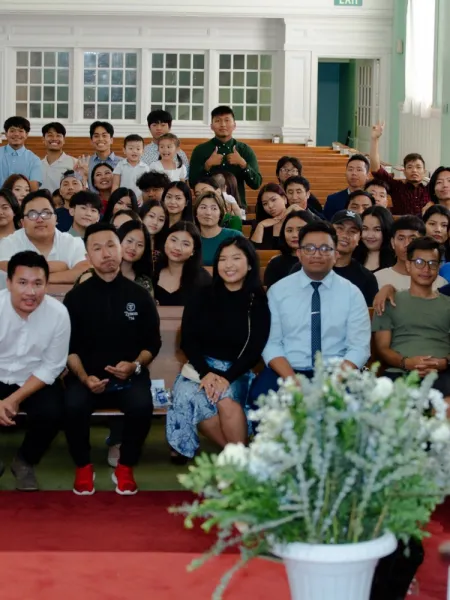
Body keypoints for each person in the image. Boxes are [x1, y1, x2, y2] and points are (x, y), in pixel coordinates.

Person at [63, 223, 161, 495]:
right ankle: (83, 467)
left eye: (111, 245)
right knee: (72, 405)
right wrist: (84, 377)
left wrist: (135, 365)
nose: (106, 253)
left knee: (142, 406)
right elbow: (68, 348)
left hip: (129, 376)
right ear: (88, 256)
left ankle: (126, 466)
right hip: (86, 377)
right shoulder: (75, 298)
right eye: (97, 248)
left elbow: (153, 343)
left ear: (120, 249)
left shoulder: (140, 295)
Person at [166, 237, 271, 460]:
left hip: (236, 370)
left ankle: (237, 456)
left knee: (224, 396)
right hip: (199, 368)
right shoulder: (201, 295)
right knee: (192, 396)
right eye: (223, 259)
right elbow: (188, 340)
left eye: (236, 258)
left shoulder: (257, 301)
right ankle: (239, 457)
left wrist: (226, 378)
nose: (228, 265)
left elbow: (255, 349)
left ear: (249, 264)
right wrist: (206, 373)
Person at [250, 221, 371, 399]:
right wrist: (292, 380)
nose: (317, 254)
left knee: (356, 404)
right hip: (288, 370)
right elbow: (271, 343)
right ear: (299, 253)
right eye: (309, 248)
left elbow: (359, 347)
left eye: (325, 248)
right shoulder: (278, 291)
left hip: (337, 372)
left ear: (336, 254)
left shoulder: (352, 293)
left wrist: (333, 383)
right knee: (260, 398)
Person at [0, 251, 70, 491]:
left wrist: (13, 399)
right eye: (22, 282)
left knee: (54, 411)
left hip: (33, 379)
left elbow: (52, 366)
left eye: (38, 283)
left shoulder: (58, 314)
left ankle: (25, 461)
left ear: (46, 285)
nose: (30, 291)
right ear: (9, 283)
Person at [372, 236, 450, 399]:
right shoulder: (389, 301)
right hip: (398, 373)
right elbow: (382, 347)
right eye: (419, 262)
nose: (426, 269)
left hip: (443, 374)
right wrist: (406, 363)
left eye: (432, 263)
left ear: (438, 267)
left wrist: (444, 363)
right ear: (408, 265)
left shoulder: (447, 304)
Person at [0, 190, 88, 285]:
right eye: (32, 214)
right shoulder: (9, 242)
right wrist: (59, 267)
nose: (40, 219)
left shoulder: (73, 242)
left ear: (55, 219)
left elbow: (84, 271)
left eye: (46, 213)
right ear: (23, 223)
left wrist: (40, 278)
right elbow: (4, 267)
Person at [189, 106, 262, 207]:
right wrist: (207, 166)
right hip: (208, 207)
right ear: (211, 126)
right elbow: (192, 183)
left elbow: (256, 184)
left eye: (227, 120)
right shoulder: (200, 150)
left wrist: (243, 164)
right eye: (217, 121)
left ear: (234, 125)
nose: (223, 124)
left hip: (237, 207)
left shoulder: (244, 150)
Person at [369, 121, 430, 215]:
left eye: (418, 167)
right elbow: (376, 169)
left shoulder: (430, 189)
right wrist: (375, 139)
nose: (414, 170)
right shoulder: (397, 187)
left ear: (424, 172)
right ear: (404, 171)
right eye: (410, 167)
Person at [375, 215, 447, 291]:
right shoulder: (378, 278)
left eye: (413, 239)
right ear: (392, 243)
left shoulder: (440, 283)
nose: (407, 244)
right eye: (401, 239)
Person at [153, 221, 211, 306]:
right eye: (173, 240)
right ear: (165, 241)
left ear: (193, 251)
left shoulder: (204, 280)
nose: (177, 248)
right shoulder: (151, 272)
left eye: (185, 244)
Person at [329, 210, 378, 306]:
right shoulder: (310, 268)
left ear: (359, 238)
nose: (345, 235)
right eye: (340, 228)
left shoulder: (367, 278)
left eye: (352, 231)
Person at [264, 210, 316, 289]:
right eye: (289, 230)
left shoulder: (322, 260)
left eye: (300, 230)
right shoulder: (275, 264)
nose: (294, 235)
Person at [193, 190, 243, 266]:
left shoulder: (234, 236)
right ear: (196, 212)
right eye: (203, 207)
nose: (208, 213)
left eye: (214, 208)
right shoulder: (190, 238)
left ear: (221, 213)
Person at [323, 154, 370, 220]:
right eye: (350, 169)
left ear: (367, 175)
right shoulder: (333, 200)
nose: (354, 173)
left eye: (359, 170)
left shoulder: (372, 199)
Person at [0, 116, 42, 190]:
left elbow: (33, 189)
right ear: (6, 134)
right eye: (12, 131)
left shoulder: (34, 160)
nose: (16, 134)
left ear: (26, 134)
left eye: (20, 131)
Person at [142, 109, 189, 175]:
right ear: (149, 128)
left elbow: (185, 177)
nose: (159, 128)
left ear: (169, 127)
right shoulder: (143, 152)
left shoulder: (179, 153)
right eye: (154, 125)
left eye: (163, 125)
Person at [77, 121, 119, 192]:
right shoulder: (85, 164)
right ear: (91, 141)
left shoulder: (122, 163)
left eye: (104, 135)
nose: (100, 139)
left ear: (111, 140)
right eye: (96, 136)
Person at [353, 206, 395, 273]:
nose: (370, 236)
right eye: (365, 229)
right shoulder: (352, 254)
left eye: (377, 229)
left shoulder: (397, 258)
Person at [41, 122, 78, 192]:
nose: (54, 138)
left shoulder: (74, 163)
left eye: (58, 135)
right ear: (43, 139)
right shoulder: (37, 165)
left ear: (64, 140)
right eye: (50, 135)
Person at [250, 183, 289, 249]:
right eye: (265, 204)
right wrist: (260, 226)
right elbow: (253, 252)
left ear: (284, 199)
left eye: (273, 200)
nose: (270, 206)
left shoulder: (296, 219)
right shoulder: (259, 224)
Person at [112, 134, 149, 199]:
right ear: (124, 150)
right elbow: (115, 185)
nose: (134, 151)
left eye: (138, 149)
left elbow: (147, 187)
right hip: (123, 200)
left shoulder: (145, 168)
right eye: (131, 148)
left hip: (140, 200)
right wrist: (114, 199)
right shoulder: (120, 165)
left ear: (143, 151)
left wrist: (142, 198)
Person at [140, 200, 170, 269]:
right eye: (151, 216)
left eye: (161, 219)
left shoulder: (165, 246)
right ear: (142, 215)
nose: (155, 222)